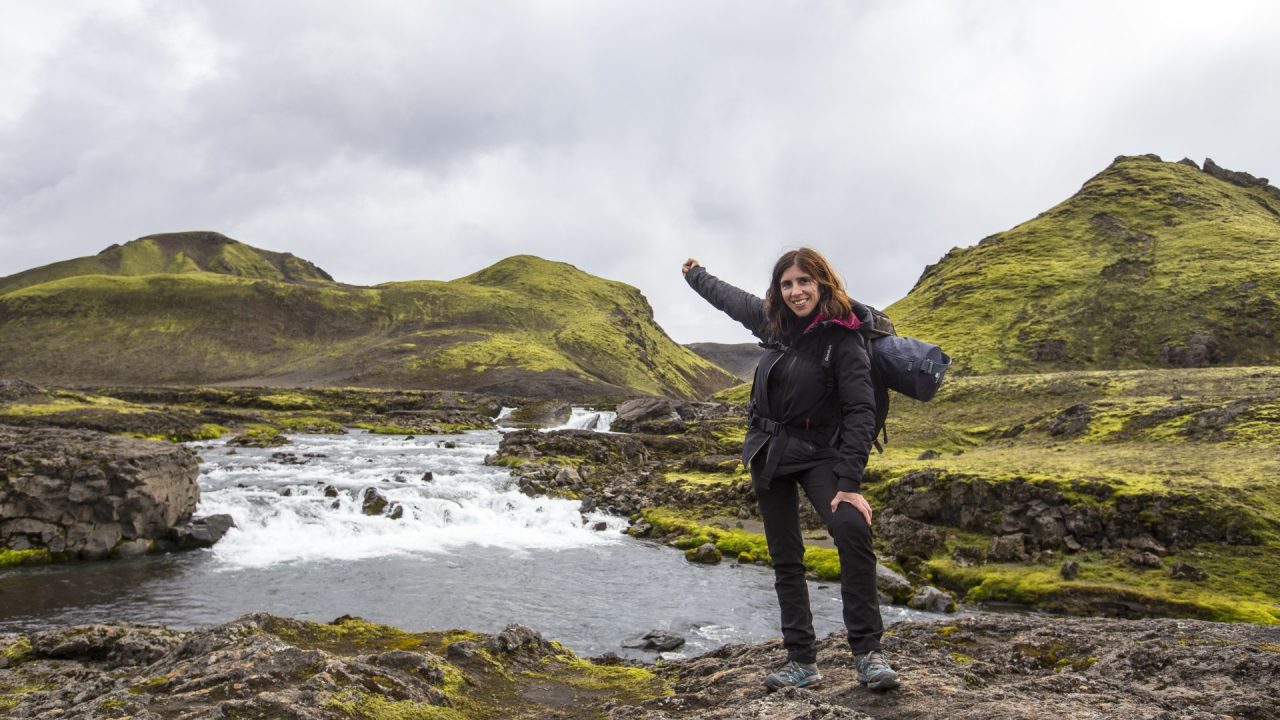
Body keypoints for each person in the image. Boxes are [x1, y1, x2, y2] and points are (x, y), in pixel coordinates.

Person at [682, 248, 899, 692]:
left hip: (822, 454)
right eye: (787, 284)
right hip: (768, 453)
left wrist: (850, 484)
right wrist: (696, 275)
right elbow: (731, 299)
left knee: (852, 530)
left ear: (822, 283)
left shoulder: (844, 339)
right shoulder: (773, 323)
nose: (796, 291)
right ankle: (802, 661)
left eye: (804, 282)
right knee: (786, 560)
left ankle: (868, 655)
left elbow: (860, 411)